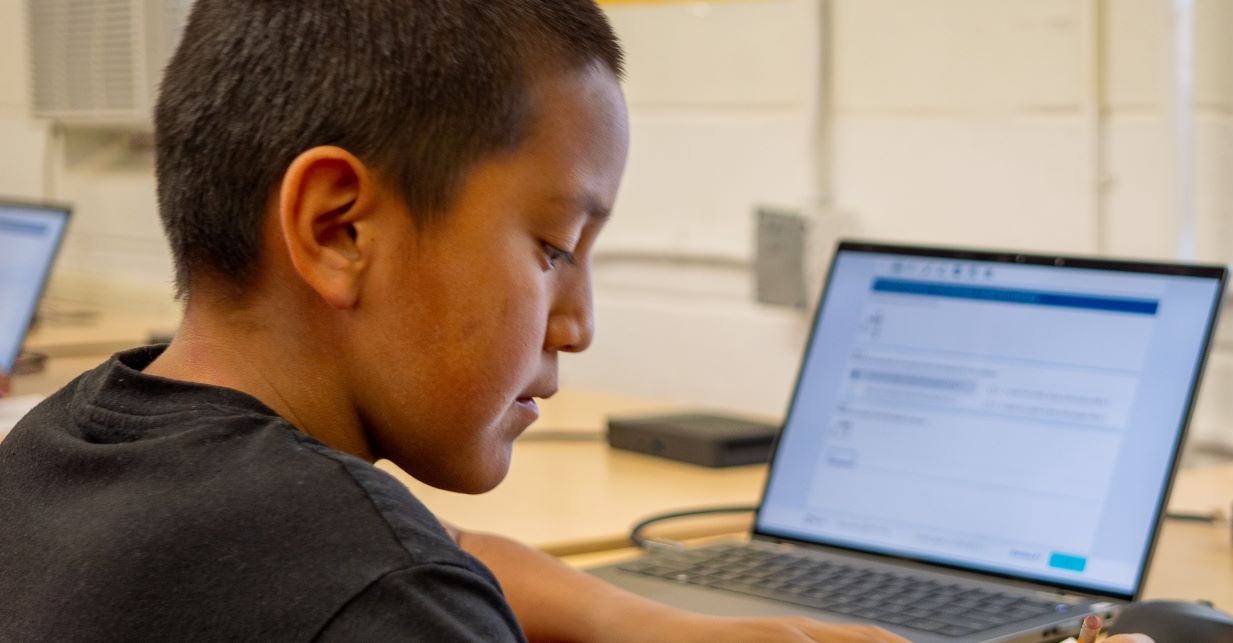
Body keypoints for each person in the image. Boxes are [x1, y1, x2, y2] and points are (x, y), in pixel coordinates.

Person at [0, 1, 1154, 641]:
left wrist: (653, 626)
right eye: (555, 247)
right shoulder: (380, 596)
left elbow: (444, 557)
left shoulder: (68, 448)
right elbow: (404, 575)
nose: (581, 321)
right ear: (339, 226)